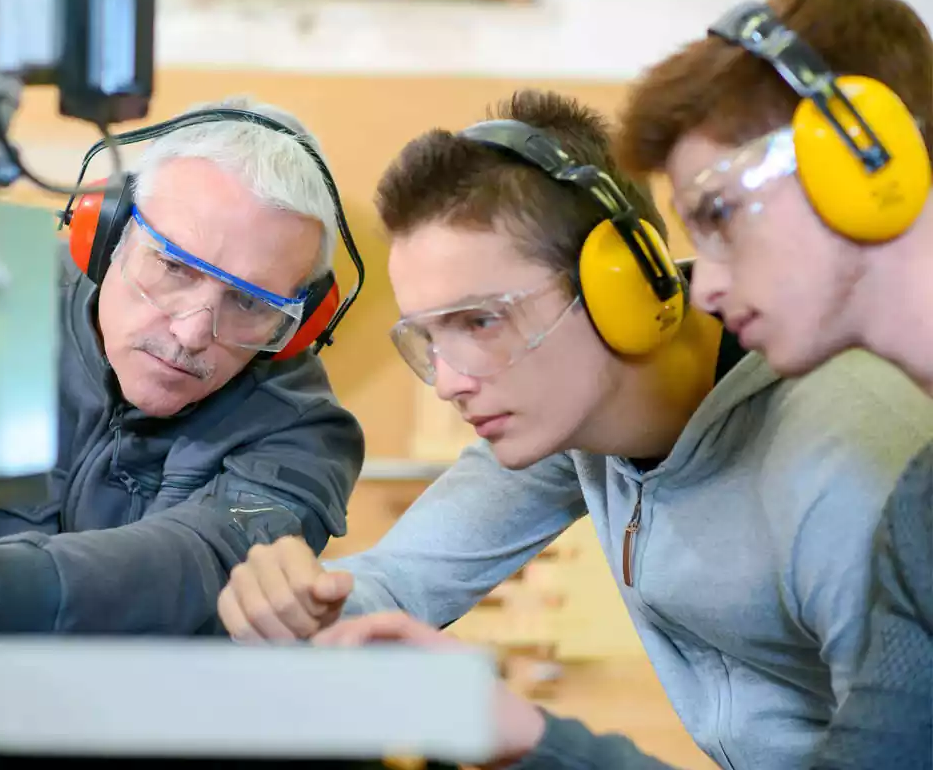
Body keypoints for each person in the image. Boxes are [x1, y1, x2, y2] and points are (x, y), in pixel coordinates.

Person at [215, 88, 933, 770]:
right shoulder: (573, 423)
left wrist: (529, 740)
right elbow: (404, 577)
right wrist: (306, 599)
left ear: (627, 281)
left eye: (482, 321)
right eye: (429, 340)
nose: (450, 381)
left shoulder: (848, 463)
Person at [0, 97, 366, 636]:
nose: (192, 333)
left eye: (249, 303)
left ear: (299, 326)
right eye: (173, 267)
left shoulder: (304, 431)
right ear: (105, 233)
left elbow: (195, 562)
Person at [615, 0, 932, 769]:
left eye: (720, 214)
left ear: (866, 156)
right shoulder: (921, 515)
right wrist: (531, 739)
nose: (705, 286)